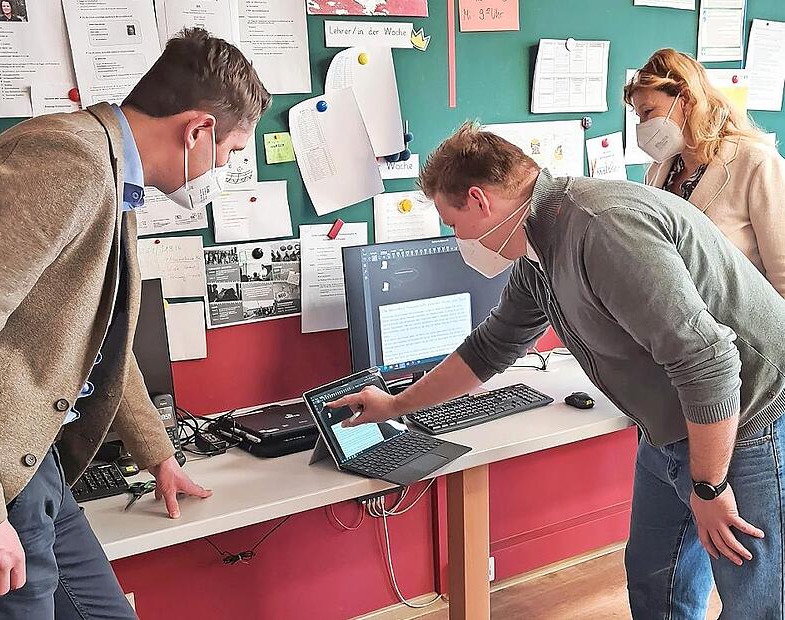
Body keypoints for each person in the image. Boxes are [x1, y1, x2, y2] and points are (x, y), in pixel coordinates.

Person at [330, 123, 785, 619]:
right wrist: (396, 404)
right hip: (671, 425)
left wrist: (710, 487)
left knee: (755, 598)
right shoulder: (539, 247)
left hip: (750, 417)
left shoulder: (602, 228)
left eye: (451, 222)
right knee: (657, 581)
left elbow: (709, 364)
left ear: (481, 201)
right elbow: (491, 347)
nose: (455, 238)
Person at [0, 28, 270, 619]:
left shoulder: (108, 171)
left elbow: (99, 336)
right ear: (197, 130)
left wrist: (157, 453)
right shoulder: (65, 164)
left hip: (33, 458)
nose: (226, 171)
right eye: (232, 153)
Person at [625, 48, 785, 297]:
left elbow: (783, 272)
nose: (643, 126)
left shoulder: (755, 162)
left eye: (648, 112)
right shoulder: (658, 172)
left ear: (686, 100)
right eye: (638, 116)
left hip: (740, 326)